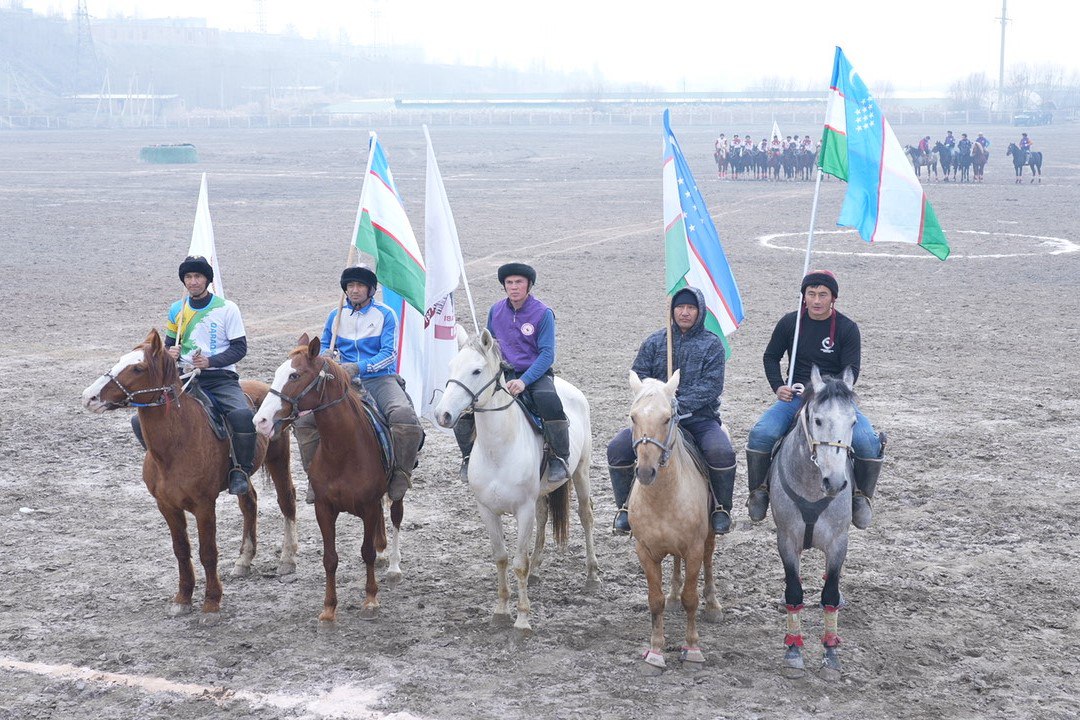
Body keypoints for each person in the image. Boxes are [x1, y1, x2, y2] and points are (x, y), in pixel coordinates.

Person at [745, 271, 886, 529]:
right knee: (761, 434)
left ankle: (860, 497)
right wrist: (778, 386)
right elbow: (770, 357)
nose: (817, 300)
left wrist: (833, 390)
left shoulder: (847, 328)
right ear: (804, 297)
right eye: (811, 294)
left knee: (867, 442)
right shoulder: (790, 323)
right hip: (796, 396)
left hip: (834, 400)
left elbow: (852, 369)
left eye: (823, 294)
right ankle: (759, 491)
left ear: (833, 298)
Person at [607, 287, 737, 535]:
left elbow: (712, 386)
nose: (684, 312)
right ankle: (624, 507)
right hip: (655, 420)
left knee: (721, 452)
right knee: (617, 448)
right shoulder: (655, 342)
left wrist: (677, 404)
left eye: (691, 308)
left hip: (699, 419)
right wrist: (657, 401)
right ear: (672, 310)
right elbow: (640, 376)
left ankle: (721, 508)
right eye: (680, 307)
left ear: (699, 312)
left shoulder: (712, 345)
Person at [292, 265, 423, 503]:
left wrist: (358, 367)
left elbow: (389, 354)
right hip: (342, 381)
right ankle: (314, 476)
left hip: (380, 378)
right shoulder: (335, 315)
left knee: (403, 416)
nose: (354, 290)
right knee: (304, 421)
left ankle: (401, 473)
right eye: (350, 285)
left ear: (370, 290)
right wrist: (326, 355)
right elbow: (325, 345)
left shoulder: (385, 315)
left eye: (360, 285)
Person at [453, 263, 571, 484]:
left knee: (549, 401)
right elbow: (490, 348)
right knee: (467, 407)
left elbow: (547, 354)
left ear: (529, 285)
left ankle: (559, 457)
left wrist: (524, 381)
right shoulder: (495, 311)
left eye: (519, 282)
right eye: (509, 282)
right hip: (503, 372)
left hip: (534, 374)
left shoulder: (543, 313)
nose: (514, 287)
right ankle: (468, 457)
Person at [161, 255, 255, 495]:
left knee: (243, 415)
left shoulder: (227, 308)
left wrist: (210, 362)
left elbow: (239, 348)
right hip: (184, 378)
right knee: (142, 419)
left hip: (220, 378)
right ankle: (165, 465)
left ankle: (241, 471)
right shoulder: (176, 309)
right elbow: (169, 344)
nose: (193, 282)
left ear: (207, 280)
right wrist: (169, 353)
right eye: (188, 277)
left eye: (198, 276)